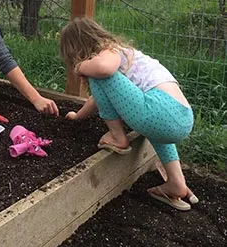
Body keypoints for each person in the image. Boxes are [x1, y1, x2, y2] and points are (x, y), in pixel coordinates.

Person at [60, 17, 199, 211]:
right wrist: (78, 115)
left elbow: (103, 70)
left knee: (98, 75)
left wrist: (80, 67)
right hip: (179, 119)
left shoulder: (110, 51)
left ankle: (118, 137)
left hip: (158, 112)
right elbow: (99, 97)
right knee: (156, 132)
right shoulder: (122, 57)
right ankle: (176, 182)